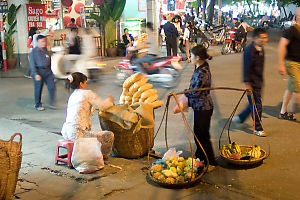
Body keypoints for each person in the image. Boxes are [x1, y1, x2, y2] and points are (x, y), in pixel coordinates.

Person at [173, 45, 216, 167]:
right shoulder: (200, 66)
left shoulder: (203, 71)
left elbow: (195, 92)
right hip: (200, 107)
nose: (189, 57)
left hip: (204, 108)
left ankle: (209, 162)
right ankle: (201, 158)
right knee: (200, 134)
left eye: (191, 55)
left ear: (197, 57)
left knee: (201, 136)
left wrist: (183, 95)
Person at [61, 72, 115, 157]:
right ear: (81, 84)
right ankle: (101, 156)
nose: (86, 84)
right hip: (78, 133)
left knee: (91, 131)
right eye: (85, 82)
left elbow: (80, 111)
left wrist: (93, 108)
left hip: (66, 132)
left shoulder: (73, 95)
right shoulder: (87, 93)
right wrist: (109, 100)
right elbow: (104, 105)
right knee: (109, 135)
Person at [232, 28, 269, 137]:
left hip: (258, 81)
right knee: (257, 106)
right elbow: (246, 68)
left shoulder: (261, 48)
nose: (265, 40)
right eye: (262, 38)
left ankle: (240, 118)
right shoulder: (249, 50)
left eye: (266, 37)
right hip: (252, 82)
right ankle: (258, 128)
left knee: (253, 103)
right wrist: (247, 84)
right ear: (255, 38)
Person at [278, 8, 300, 121]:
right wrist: (281, 64)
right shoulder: (291, 30)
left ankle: (283, 112)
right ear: (298, 16)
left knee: (291, 88)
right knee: (298, 88)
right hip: (292, 63)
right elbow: (282, 46)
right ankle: (291, 112)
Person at [29, 35, 56, 111]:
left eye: (45, 41)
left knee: (52, 87)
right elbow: (32, 64)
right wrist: (35, 74)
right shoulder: (34, 52)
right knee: (38, 89)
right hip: (39, 72)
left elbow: (49, 60)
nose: (44, 43)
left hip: (48, 72)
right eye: (42, 41)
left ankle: (51, 102)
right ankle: (38, 104)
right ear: (38, 42)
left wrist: (51, 71)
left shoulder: (46, 50)